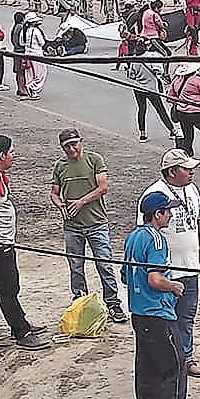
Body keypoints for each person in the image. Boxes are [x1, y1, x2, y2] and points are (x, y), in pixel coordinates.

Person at [123, 190, 193, 399]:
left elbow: (125, 275)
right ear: (157, 214)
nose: (171, 215)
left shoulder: (133, 238)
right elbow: (155, 279)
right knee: (175, 368)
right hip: (158, 314)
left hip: (138, 314)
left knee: (147, 370)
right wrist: (173, 286)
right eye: (167, 211)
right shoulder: (157, 240)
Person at [0, 135, 50, 350]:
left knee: (12, 285)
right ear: (1, 155)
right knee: (6, 288)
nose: (13, 156)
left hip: (3, 241)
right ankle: (20, 332)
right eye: (11, 152)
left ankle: (22, 322)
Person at [139, 149, 200, 376]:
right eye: (186, 168)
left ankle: (186, 358)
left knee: (187, 316)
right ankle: (168, 359)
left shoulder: (192, 190)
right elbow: (145, 233)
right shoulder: (154, 195)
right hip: (166, 272)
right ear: (172, 172)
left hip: (190, 266)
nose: (191, 172)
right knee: (166, 318)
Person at [50, 129, 125, 325]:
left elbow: (103, 187)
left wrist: (81, 202)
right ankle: (80, 301)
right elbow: (54, 193)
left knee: (104, 264)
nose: (71, 148)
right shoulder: (60, 166)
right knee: (76, 267)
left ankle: (113, 303)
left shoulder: (94, 160)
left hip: (96, 223)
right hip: (72, 226)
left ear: (81, 142)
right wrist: (60, 206)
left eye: (74, 144)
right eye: (67, 146)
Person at [168, 61, 200, 158]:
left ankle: (188, 154)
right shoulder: (197, 80)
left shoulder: (176, 80)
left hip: (182, 112)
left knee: (188, 134)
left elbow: (170, 97)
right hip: (198, 112)